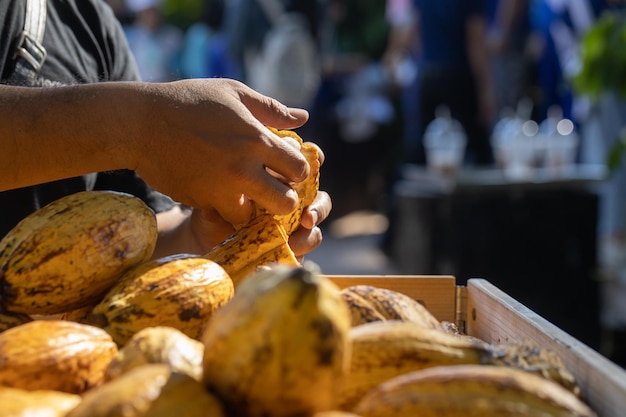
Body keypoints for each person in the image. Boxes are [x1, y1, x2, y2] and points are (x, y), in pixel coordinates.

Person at [0, 0, 331, 260]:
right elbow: (141, 129)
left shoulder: (91, 22)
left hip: (61, 342)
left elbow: (146, 229)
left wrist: (208, 235)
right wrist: (142, 127)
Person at [409, 0, 496, 166]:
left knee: (427, 153)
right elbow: (475, 41)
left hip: (429, 76)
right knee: (478, 153)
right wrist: (486, 89)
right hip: (459, 77)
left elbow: (415, 33)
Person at [123, 0, 184, 82]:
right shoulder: (127, 38)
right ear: (139, 14)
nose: (152, 17)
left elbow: (180, 71)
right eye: (147, 12)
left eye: (154, 11)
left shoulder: (173, 36)